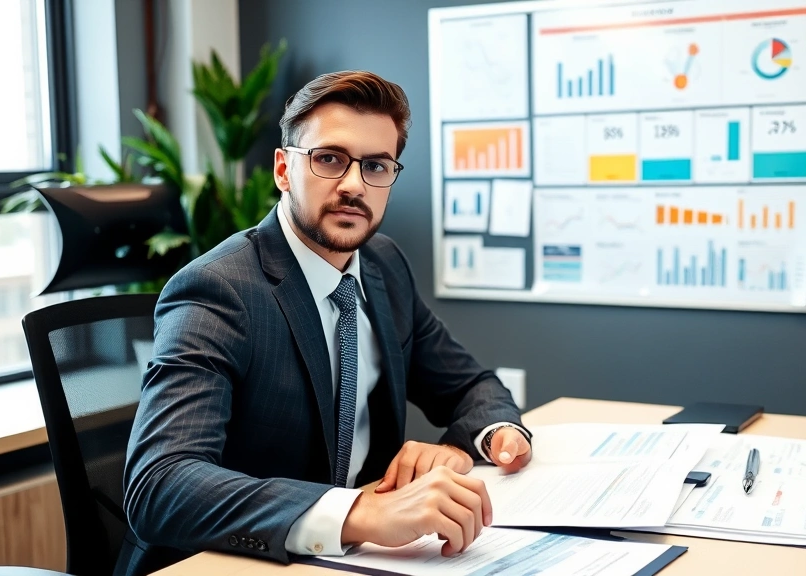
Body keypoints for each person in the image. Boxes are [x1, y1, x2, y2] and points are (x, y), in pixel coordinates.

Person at [117, 70, 533, 576]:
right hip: (226, 563)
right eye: (330, 159)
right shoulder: (219, 290)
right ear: (283, 169)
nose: (354, 185)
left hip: (361, 560)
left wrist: (486, 439)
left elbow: (469, 385)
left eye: (377, 165)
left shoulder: (383, 266)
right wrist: (359, 512)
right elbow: (161, 485)